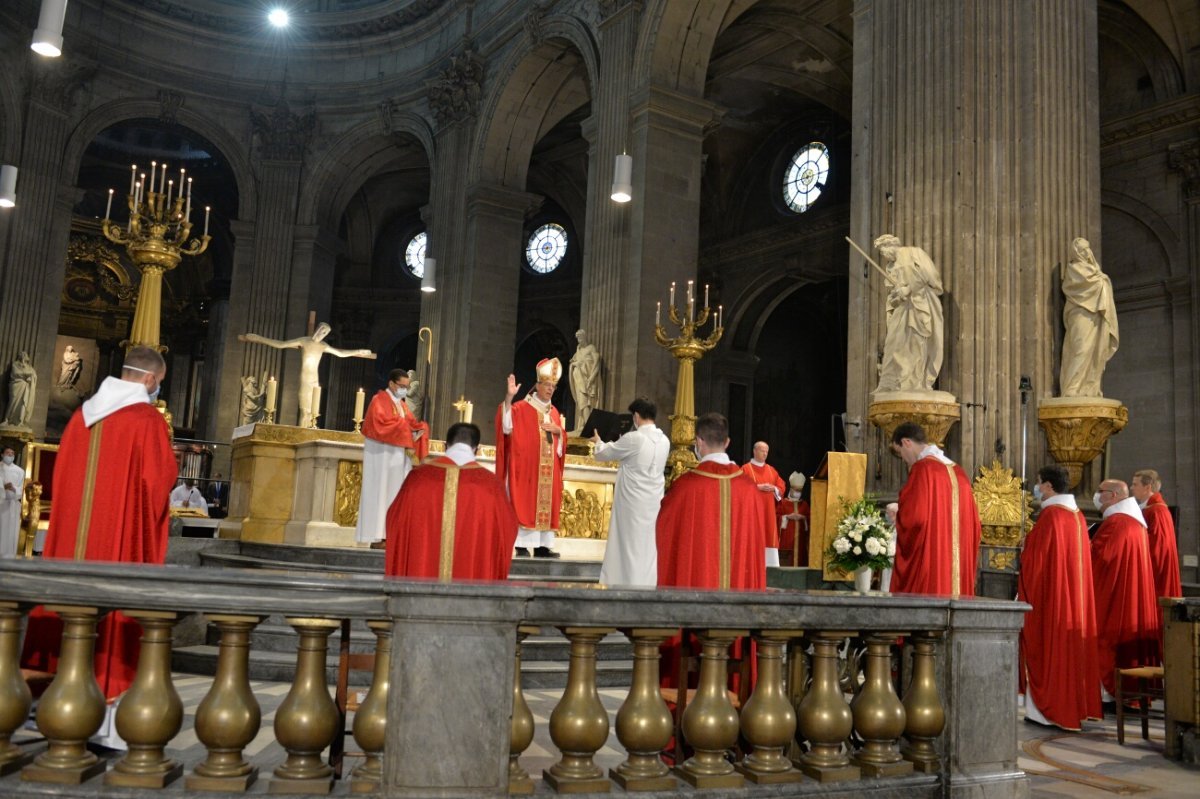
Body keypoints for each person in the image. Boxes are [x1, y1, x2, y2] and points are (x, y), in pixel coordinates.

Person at [21, 345, 178, 700]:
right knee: (113, 600)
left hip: (72, 537)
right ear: (151, 379)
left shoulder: (81, 416)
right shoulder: (146, 420)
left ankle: (48, 684)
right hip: (115, 544)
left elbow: (60, 479)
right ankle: (105, 687)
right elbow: (156, 484)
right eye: (159, 384)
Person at [1017, 464, 1101, 730]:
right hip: (1072, 600)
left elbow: (1035, 562)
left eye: (1039, 482)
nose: (1037, 488)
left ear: (1049, 486)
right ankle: (1069, 707)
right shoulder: (1075, 516)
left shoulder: (1052, 517)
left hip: (1050, 600)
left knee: (1047, 647)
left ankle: (1046, 710)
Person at [385, 422, 518, 580]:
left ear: (445, 446)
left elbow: (395, 521)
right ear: (478, 449)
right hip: (474, 585)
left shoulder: (418, 479)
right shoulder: (491, 485)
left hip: (419, 587)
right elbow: (507, 529)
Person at [656, 412, 771, 591]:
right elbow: (754, 550)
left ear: (698, 442)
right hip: (738, 600)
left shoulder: (685, 487)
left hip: (697, 592)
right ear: (727, 442)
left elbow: (665, 532)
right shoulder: (749, 490)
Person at [889, 421, 981, 596]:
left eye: (900, 453)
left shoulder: (923, 469)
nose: (903, 459)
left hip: (933, 560)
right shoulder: (960, 472)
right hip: (958, 563)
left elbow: (915, 519)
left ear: (907, 442)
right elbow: (975, 524)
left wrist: (898, 515)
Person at [1091, 479, 1161, 701]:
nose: (1096, 496)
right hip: (1127, 595)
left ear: (1112, 496)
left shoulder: (1117, 523)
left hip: (1113, 598)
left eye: (1099, 491)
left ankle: (1108, 695)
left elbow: (1099, 558)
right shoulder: (1133, 522)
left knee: (1106, 640)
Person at [590, 397, 669, 586]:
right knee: (647, 546)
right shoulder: (665, 440)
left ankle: (623, 583)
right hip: (652, 503)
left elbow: (605, 454)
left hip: (632, 504)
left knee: (627, 545)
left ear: (636, 416)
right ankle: (647, 583)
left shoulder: (635, 438)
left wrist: (598, 441)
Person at [239, 322, 376, 426]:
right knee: (305, 410)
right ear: (317, 329)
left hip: (315, 380)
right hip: (305, 379)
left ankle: (309, 432)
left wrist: (359, 351)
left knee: (313, 412)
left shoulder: (323, 345)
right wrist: (258, 338)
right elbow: (281, 344)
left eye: (325, 333)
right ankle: (302, 434)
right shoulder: (304, 340)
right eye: (321, 331)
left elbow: (340, 353)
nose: (322, 334)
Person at [495, 359, 566, 558]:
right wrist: (509, 398)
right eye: (547, 385)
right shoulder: (520, 408)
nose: (551, 389)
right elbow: (506, 426)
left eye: (554, 386)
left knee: (546, 503)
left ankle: (543, 546)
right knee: (525, 503)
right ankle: (522, 545)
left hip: (548, 471)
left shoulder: (553, 412)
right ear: (538, 385)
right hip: (526, 470)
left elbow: (559, 445)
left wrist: (559, 432)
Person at [355, 368, 430, 547]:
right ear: (391, 383)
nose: (404, 389)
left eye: (406, 386)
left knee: (394, 494)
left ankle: (391, 535)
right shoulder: (379, 400)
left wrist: (420, 427)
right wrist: (405, 427)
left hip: (397, 457)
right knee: (381, 493)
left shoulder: (401, 404)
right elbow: (380, 424)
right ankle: (378, 536)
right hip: (382, 457)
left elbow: (409, 422)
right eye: (402, 386)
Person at [873, 234, 944, 393]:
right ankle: (897, 383)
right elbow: (892, 293)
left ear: (890, 245)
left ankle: (916, 382)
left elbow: (931, 278)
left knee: (916, 343)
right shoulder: (890, 267)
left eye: (882, 250)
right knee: (894, 344)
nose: (883, 255)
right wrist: (895, 297)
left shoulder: (914, 253)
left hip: (918, 305)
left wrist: (910, 288)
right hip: (902, 309)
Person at [1059, 238, 1119, 398]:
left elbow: (1100, 285)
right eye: (1082, 250)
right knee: (1081, 348)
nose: (1087, 253)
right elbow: (1079, 288)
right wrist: (1101, 281)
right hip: (1080, 313)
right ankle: (1071, 387)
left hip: (1096, 313)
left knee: (1096, 351)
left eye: (1087, 249)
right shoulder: (1073, 269)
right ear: (1076, 252)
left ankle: (1089, 387)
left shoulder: (1096, 272)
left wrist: (1101, 279)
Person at [1130, 469, 1182, 600]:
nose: (1131, 488)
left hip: (1155, 573)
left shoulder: (1156, 511)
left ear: (1147, 487)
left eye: (1135, 484)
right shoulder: (1152, 508)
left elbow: (1157, 545)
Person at [742, 440, 787, 567]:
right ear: (755, 451)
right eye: (762, 451)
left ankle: (770, 567)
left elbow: (781, 485)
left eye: (767, 451)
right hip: (752, 512)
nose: (765, 454)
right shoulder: (746, 469)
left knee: (768, 535)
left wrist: (774, 488)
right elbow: (738, 487)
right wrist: (757, 487)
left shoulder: (771, 470)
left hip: (768, 514)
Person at [569, 329, 603, 435]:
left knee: (586, 403)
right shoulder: (578, 350)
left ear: (584, 337)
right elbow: (573, 362)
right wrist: (574, 365)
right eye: (577, 337)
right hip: (579, 380)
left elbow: (596, 363)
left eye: (580, 337)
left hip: (588, 381)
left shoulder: (590, 348)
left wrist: (591, 378)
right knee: (582, 403)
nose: (579, 340)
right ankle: (585, 426)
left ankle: (589, 427)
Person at [777, 471, 810, 567]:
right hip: (786, 541)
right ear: (790, 489)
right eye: (796, 490)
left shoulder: (804, 505)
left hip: (801, 542)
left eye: (800, 490)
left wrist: (803, 518)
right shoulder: (783, 503)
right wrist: (787, 517)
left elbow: (811, 520)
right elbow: (776, 517)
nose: (797, 493)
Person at [1, 446, 23, 557]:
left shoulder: (19, 471)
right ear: (2, 454)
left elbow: (22, 488)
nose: (10, 455)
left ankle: (9, 555)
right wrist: (3, 487)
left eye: (12, 453)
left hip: (13, 504)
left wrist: (14, 488)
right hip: (1, 503)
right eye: (7, 452)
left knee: (11, 531)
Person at [3, 351, 36, 428]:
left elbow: (33, 375)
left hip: (25, 387)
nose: (24, 356)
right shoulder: (15, 364)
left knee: (23, 404)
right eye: (23, 354)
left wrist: (31, 377)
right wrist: (27, 374)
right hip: (16, 386)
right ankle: (7, 420)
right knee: (12, 402)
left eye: (25, 355)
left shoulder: (29, 367)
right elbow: (16, 373)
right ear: (20, 356)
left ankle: (20, 422)